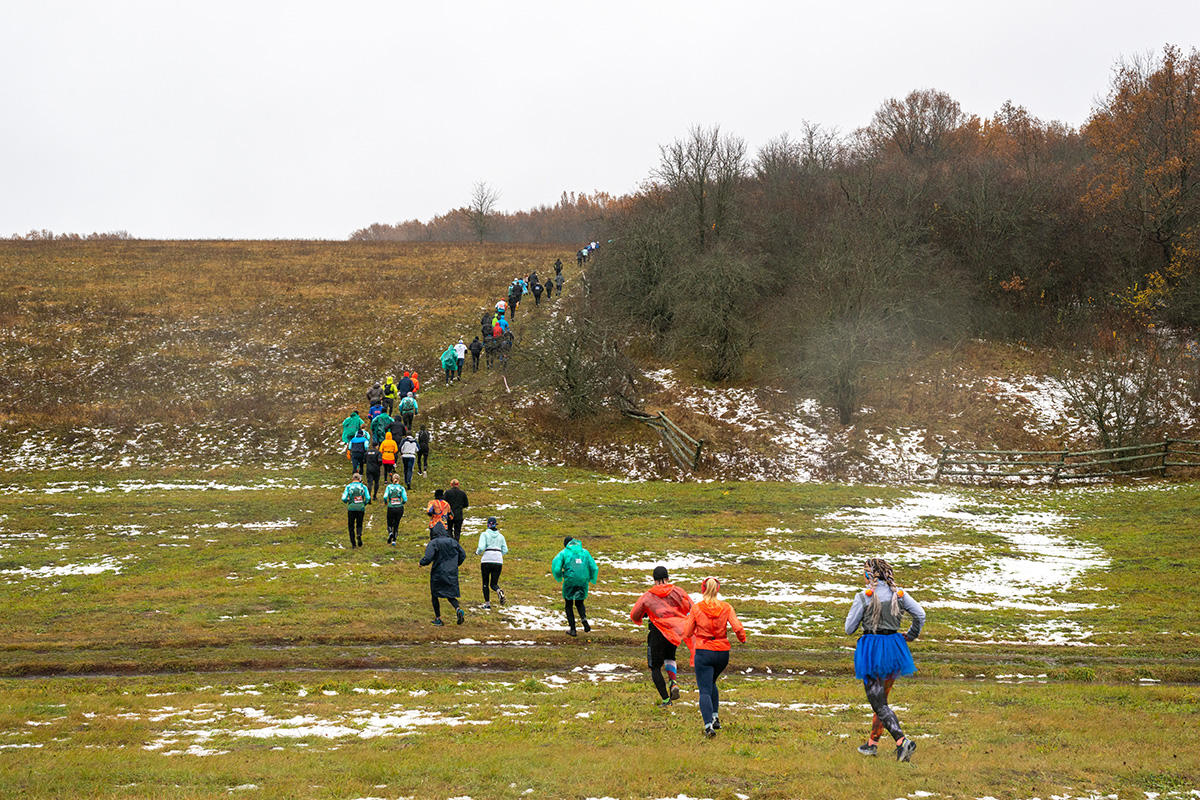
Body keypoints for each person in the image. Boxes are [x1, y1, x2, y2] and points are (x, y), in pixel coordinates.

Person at [845, 558, 925, 763]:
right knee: (882, 701)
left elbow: (849, 629)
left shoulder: (863, 596)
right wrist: (911, 634)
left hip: (872, 649)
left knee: (877, 701)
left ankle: (902, 742)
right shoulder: (900, 595)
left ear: (869, 575)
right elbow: (920, 615)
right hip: (894, 646)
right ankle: (872, 744)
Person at [681, 576, 746, 738]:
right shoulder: (726, 607)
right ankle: (715, 717)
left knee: (704, 690)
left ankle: (708, 725)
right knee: (711, 683)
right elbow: (737, 627)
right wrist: (742, 638)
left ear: (703, 590)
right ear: (717, 589)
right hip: (723, 653)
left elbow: (687, 633)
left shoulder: (697, 608)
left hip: (704, 652)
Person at [630, 566, 694, 706]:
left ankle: (666, 700)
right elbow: (691, 607)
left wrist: (645, 614)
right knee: (670, 657)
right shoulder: (678, 592)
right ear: (668, 578)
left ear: (654, 580)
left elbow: (634, 614)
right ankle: (673, 681)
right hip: (674, 632)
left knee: (655, 667)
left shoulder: (648, 596)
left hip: (657, 633)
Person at [419, 522, 466, 626]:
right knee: (450, 594)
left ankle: (438, 618)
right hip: (452, 572)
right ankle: (458, 609)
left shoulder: (434, 542)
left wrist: (421, 563)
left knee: (435, 594)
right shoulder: (453, 542)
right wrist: (455, 564)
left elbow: (428, 557)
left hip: (438, 572)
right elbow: (463, 554)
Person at [551, 536, 598, 636]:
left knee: (569, 605)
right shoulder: (585, 552)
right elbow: (593, 567)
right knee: (579, 602)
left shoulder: (564, 553)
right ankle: (583, 618)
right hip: (583, 582)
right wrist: (591, 579)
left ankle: (573, 629)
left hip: (570, 582)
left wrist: (560, 576)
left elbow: (556, 568)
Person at [475, 516, 508, 609]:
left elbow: (481, 547)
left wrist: (477, 553)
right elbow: (505, 550)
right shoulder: (501, 536)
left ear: (488, 525)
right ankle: (498, 590)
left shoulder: (484, 534)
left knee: (485, 582)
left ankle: (487, 604)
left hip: (487, 559)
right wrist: (498, 554)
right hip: (498, 560)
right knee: (493, 583)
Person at [341, 472, 371, 549]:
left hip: (351, 508)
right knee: (359, 524)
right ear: (359, 479)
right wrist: (364, 504)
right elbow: (368, 498)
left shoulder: (348, 486)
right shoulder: (363, 486)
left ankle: (353, 544)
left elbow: (344, 498)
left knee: (351, 526)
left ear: (352, 479)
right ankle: (359, 534)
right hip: (360, 507)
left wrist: (347, 501)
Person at [382, 473, 407, 546]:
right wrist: (402, 502)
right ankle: (394, 541)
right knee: (396, 524)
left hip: (391, 506)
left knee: (389, 522)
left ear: (392, 479)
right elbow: (405, 498)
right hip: (399, 507)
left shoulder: (389, 487)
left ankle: (390, 533)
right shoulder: (401, 488)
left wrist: (386, 502)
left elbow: (385, 496)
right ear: (399, 480)